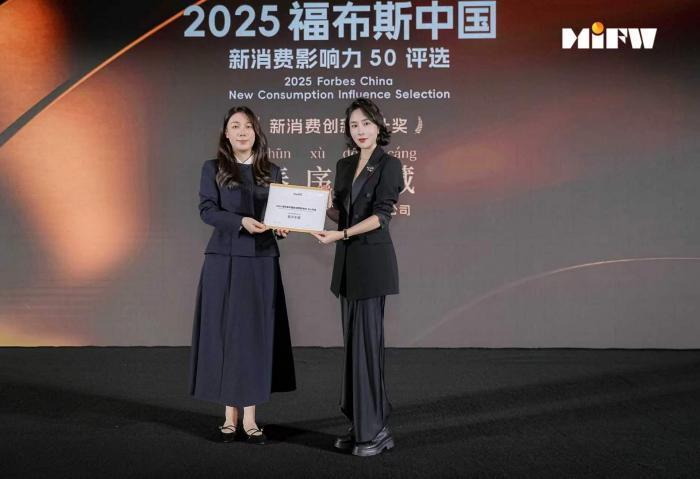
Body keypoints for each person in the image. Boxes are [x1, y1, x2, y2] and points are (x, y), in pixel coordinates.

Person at [189, 106, 295, 445]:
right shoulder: (213, 168)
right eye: (235, 126)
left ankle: (250, 418)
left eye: (248, 126)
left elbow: (279, 215)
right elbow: (207, 210)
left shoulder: (271, 171)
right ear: (226, 133)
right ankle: (228, 417)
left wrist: (282, 227)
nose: (242, 132)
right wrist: (240, 222)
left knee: (254, 336)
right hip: (224, 259)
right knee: (225, 334)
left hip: (261, 261)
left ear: (256, 132)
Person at [312, 98, 404, 457]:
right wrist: (322, 208)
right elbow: (343, 213)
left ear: (378, 126)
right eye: (354, 125)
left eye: (366, 123)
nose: (360, 130)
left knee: (367, 348)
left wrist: (343, 234)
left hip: (372, 264)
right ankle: (360, 424)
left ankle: (375, 429)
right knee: (353, 349)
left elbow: (381, 217)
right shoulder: (344, 164)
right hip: (347, 267)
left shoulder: (390, 165)